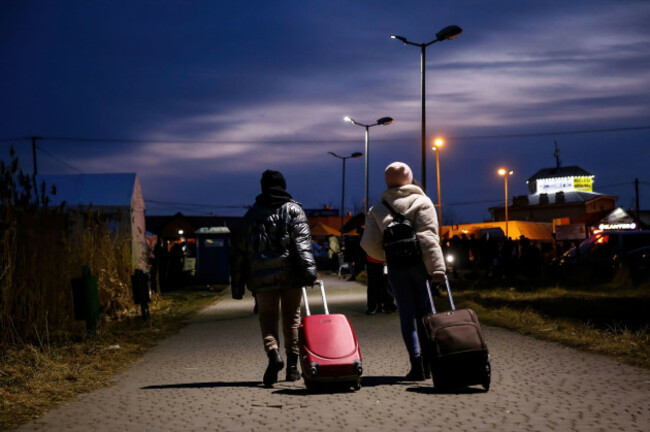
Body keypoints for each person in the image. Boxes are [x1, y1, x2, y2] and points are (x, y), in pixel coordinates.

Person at [231, 170, 318, 388]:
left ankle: (273, 354)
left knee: (268, 318)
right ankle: (291, 368)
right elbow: (302, 245)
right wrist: (309, 273)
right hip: (291, 277)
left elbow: (238, 253)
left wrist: (238, 285)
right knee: (292, 320)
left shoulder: (251, 215)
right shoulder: (294, 210)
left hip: (261, 279)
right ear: (283, 186)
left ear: (263, 188)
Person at [360, 162, 446, 381]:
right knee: (425, 315)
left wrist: (387, 256)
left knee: (406, 316)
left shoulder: (377, 209)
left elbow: (369, 244)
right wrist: (437, 268)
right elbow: (428, 238)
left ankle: (416, 364)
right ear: (410, 178)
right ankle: (430, 363)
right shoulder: (422, 202)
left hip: (397, 269)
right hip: (420, 267)